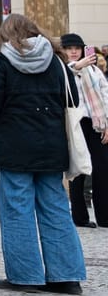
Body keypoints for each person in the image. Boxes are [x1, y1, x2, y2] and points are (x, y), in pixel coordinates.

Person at [0, 15, 87, 294]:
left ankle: (25, 276)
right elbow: (73, 101)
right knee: (55, 209)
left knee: (17, 210)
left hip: (14, 146)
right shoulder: (57, 61)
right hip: (52, 146)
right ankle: (66, 277)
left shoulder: (5, 61)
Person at [60, 34, 108, 228]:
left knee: (102, 171)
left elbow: (105, 96)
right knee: (78, 171)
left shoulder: (94, 71)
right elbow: (65, 77)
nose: (73, 51)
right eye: (69, 48)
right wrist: (78, 66)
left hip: (96, 124)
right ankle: (80, 218)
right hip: (74, 124)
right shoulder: (62, 70)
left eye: (77, 48)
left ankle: (104, 216)